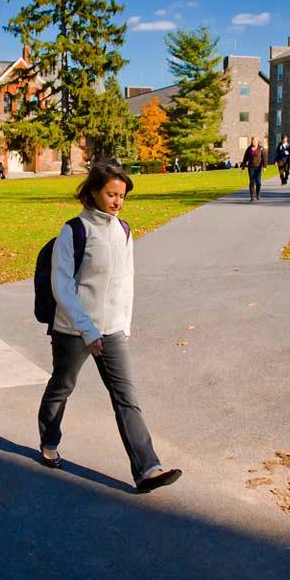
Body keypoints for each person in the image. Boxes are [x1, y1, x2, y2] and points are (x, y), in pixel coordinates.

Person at [37, 162, 182, 494]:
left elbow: (125, 283)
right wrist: (87, 329)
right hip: (74, 330)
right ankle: (49, 440)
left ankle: (148, 468)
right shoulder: (73, 231)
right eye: (111, 194)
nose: (117, 201)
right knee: (62, 386)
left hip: (113, 330)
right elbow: (62, 286)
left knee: (126, 397)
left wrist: (124, 324)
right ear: (92, 193)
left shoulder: (124, 230)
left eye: (122, 195)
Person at [241, 137, 266, 201]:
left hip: (258, 167)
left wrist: (264, 166)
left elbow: (264, 158)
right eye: (252, 141)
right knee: (251, 182)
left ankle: (257, 194)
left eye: (255, 141)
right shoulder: (249, 149)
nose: (253, 142)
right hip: (251, 167)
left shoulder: (261, 149)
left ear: (257, 141)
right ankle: (252, 196)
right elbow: (245, 158)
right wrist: (243, 166)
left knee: (258, 182)